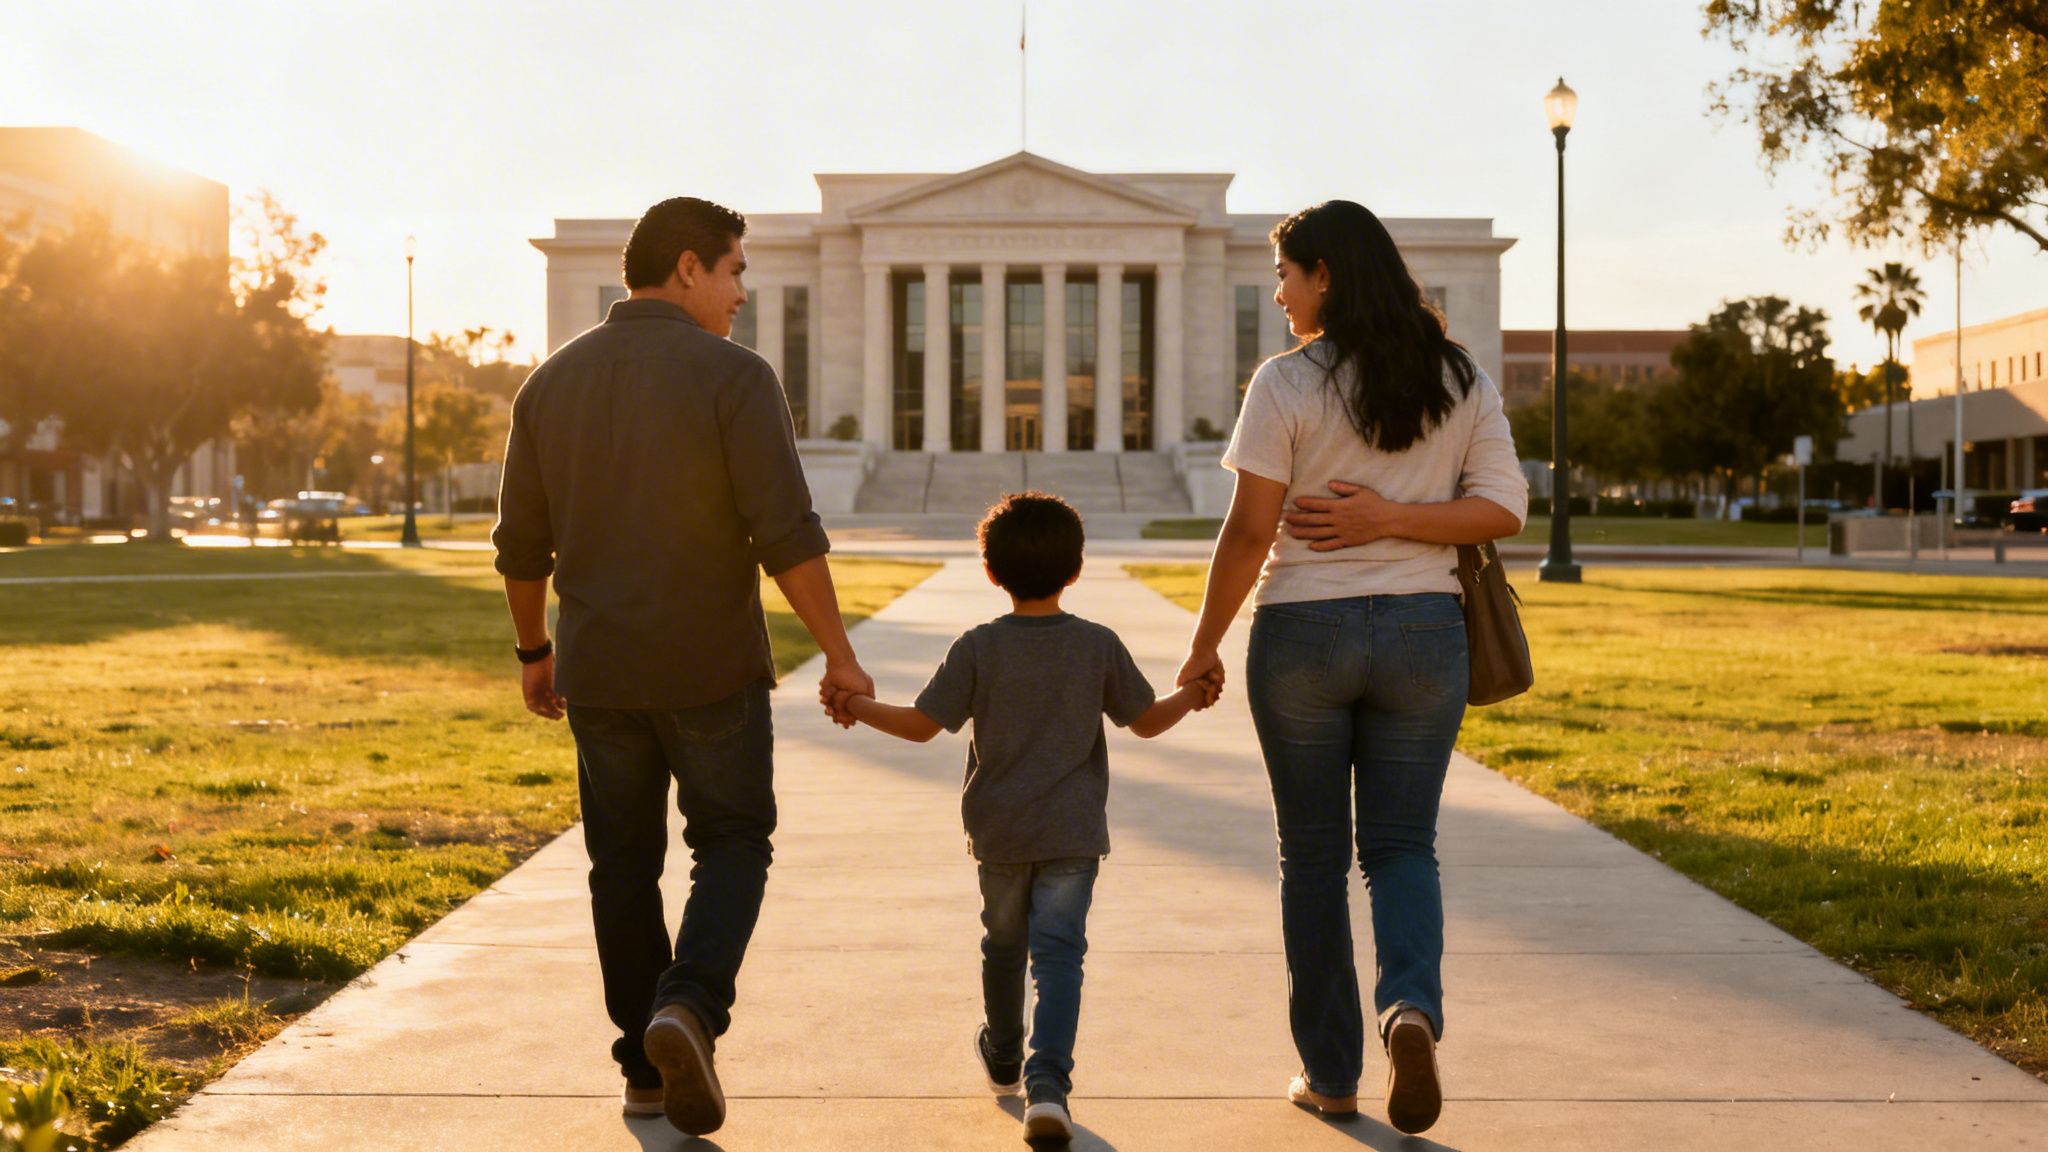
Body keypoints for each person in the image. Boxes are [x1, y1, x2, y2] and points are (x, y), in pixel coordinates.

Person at [493, 196, 874, 1137]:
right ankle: (689, 1010)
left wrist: (535, 653)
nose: (744, 291)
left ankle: (643, 1071)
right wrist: (839, 655)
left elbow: (519, 547)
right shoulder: (735, 378)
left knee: (621, 866)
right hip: (710, 667)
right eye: (736, 270)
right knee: (734, 840)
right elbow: (786, 533)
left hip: (599, 671)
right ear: (690, 267)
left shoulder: (548, 384)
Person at [1173, 200, 1527, 1135]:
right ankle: (1409, 1010)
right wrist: (1403, 520)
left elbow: (1250, 533)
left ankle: (1332, 1077)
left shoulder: (1286, 382)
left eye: (1287, 274)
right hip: (1423, 635)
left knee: (1314, 858)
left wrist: (1204, 644)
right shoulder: (1458, 378)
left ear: (1325, 273)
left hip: (1303, 635)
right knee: (1404, 848)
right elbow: (1502, 510)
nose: (1280, 293)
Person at [825, 492, 1215, 1143]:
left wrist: (855, 706)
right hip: (1073, 831)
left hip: (999, 831)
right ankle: (1049, 1088)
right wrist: (1192, 695)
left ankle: (1004, 1053)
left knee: (1003, 947)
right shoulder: (1096, 644)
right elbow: (1145, 721)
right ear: (1076, 568)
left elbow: (923, 727)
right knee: (1060, 956)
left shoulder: (979, 647)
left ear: (990, 571)